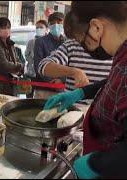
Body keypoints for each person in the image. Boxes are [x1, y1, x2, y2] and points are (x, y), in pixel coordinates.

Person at [44, 1, 127, 178]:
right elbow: (113, 82)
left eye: (85, 41)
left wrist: (97, 165)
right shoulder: (122, 55)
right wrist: (82, 92)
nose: (88, 49)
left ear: (96, 27)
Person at [37, 11, 112, 97]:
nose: (81, 42)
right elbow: (43, 66)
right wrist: (73, 72)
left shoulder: (115, 49)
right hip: (74, 107)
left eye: (82, 36)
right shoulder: (72, 45)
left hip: (104, 108)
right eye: (76, 38)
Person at [0, 17, 24, 96]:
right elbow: (4, 65)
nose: (6, 30)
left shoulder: (10, 44)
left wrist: (19, 66)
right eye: (3, 28)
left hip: (9, 85)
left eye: (8, 28)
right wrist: (19, 66)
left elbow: (17, 60)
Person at [33, 12, 66, 99]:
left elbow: (72, 64)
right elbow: (37, 66)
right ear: (49, 26)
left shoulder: (67, 42)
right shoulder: (40, 42)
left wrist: (61, 80)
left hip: (62, 89)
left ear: (64, 24)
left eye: (59, 23)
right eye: (52, 23)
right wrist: (52, 81)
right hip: (44, 89)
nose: (56, 25)